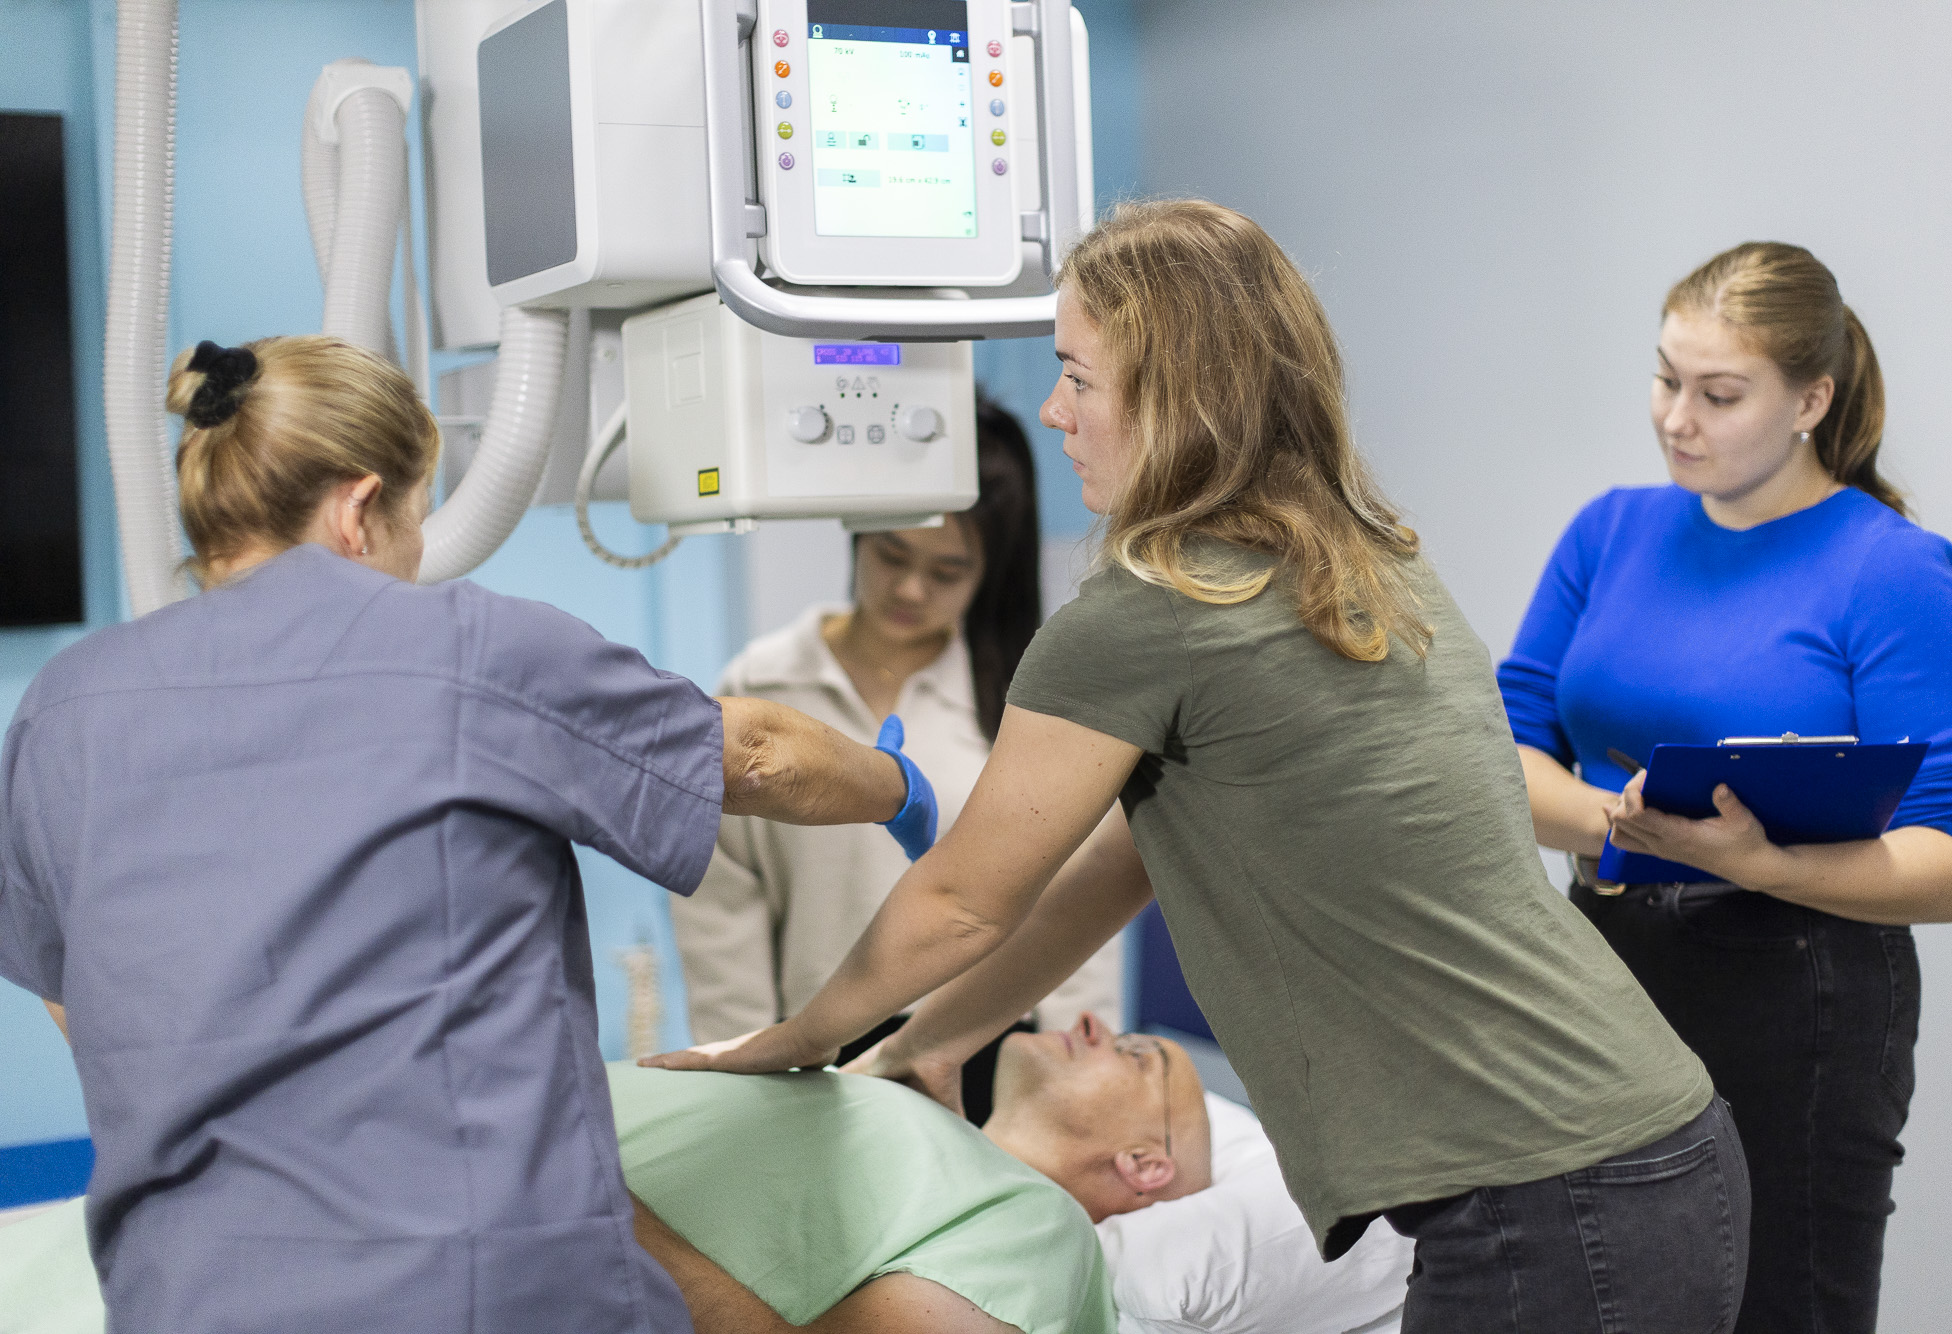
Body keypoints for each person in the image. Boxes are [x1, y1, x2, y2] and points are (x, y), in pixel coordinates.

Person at [652, 200, 1752, 1334]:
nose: (1052, 409)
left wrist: (794, 1041)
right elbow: (1117, 863)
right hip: (1654, 1150)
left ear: (1175, 394)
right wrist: (930, 1038)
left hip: (1549, 1201)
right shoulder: (1357, 557)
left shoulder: (1149, 611)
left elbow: (959, 897)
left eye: (1077, 376)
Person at [0, 337, 937, 1334]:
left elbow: (78, 998)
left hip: (186, 1297)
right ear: (360, 509)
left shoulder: (62, 709)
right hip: (476, 1292)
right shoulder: (462, 645)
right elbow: (754, 752)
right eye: (415, 517)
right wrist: (898, 785)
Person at [1498, 242, 1952, 1334]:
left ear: (1810, 398)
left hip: (1794, 985)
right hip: (1602, 958)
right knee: (1601, 1294)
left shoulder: (1892, 570)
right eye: (1664, 378)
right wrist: (1628, 824)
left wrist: (1757, 862)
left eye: (1717, 393)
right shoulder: (1609, 530)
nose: (1676, 416)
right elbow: (1501, 751)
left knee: (1778, 1303)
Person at [0, 1012, 1211, 1334]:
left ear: (1142, 1165)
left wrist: (558, 1193)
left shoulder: (1039, 1239)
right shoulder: (906, 1120)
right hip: (134, 1232)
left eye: (1141, 1054)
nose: (1100, 1022)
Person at [668, 398, 1121, 1119]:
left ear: (990, 572)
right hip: (819, 1054)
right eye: (892, 556)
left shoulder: (1022, 703)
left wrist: (1076, 1087)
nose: (911, 589)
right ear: (858, 535)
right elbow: (722, 905)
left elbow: (1073, 897)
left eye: (947, 571)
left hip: (990, 1047)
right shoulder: (761, 691)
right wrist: (741, 1073)